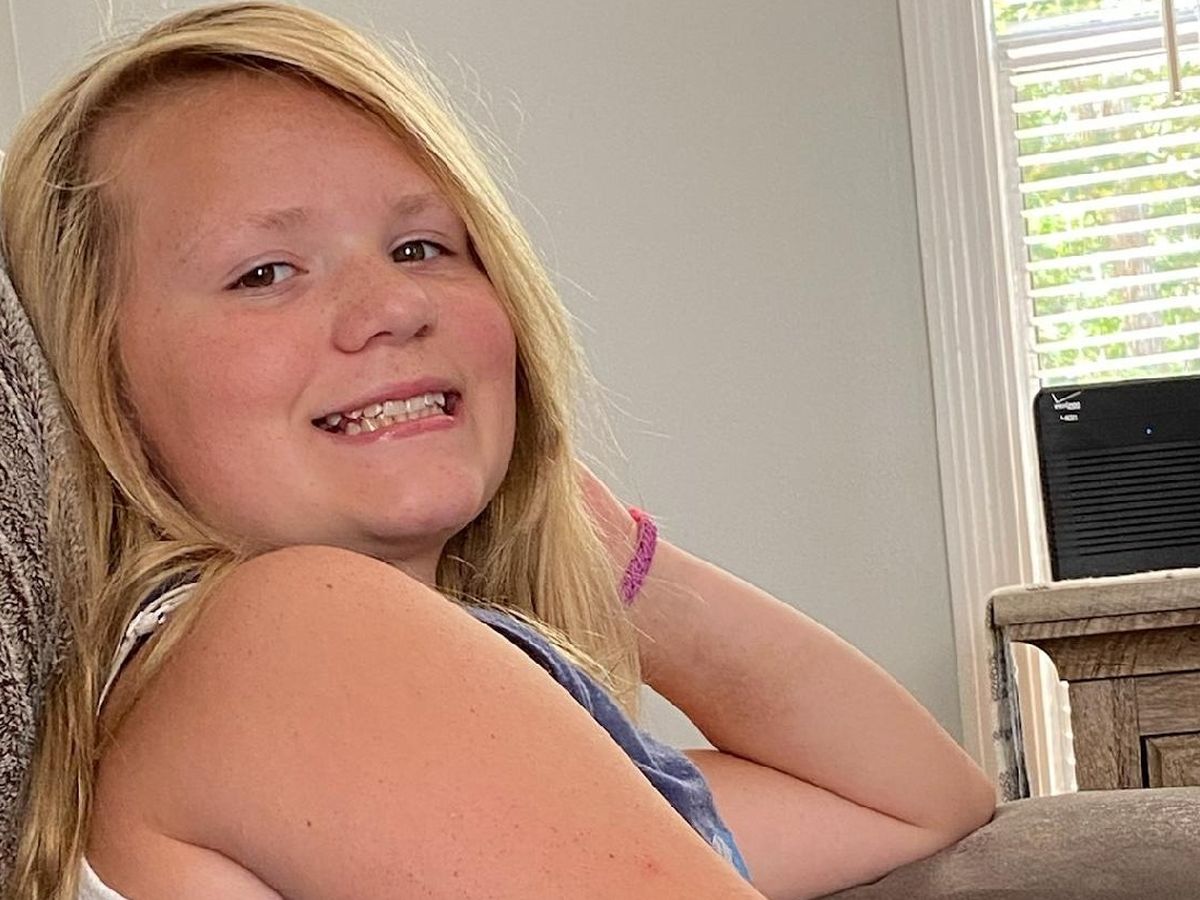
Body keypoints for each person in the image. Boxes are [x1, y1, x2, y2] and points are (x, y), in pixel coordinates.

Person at [0, 3, 996, 898]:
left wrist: (603, 546)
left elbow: (910, 801)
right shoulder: (294, 634)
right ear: (97, 382)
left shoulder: (291, 689)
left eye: (423, 246)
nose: (396, 305)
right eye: (265, 272)